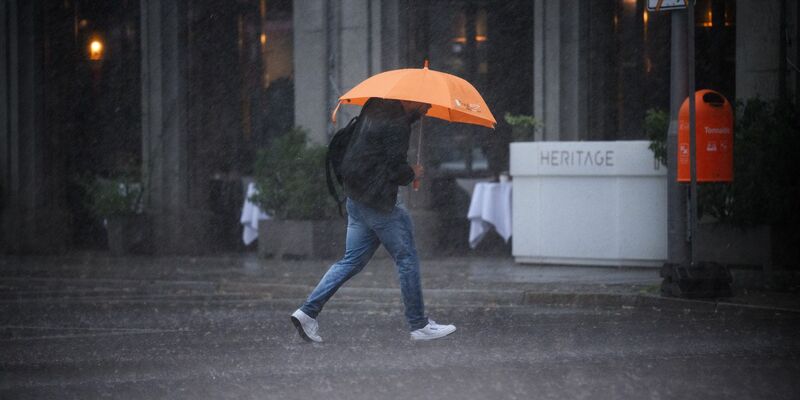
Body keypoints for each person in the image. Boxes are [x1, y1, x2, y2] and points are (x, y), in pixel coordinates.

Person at [290, 98, 456, 342]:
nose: (428, 109)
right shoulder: (398, 125)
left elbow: (371, 154)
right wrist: (413, 173)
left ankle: (307, 312)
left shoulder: (374, 108)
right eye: (425, 105)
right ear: (412, 100)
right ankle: (419, 324)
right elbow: (394, 169)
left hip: (356, 199)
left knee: (350, 261)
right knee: (406, 258)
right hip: (379, 203)